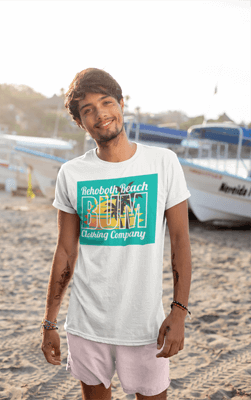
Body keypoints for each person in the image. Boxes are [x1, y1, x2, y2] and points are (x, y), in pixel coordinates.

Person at [41, 68, 192, 400]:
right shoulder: (71, 174)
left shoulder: (163, 163)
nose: (100, 114)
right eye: (88, 110)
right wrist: (49, 323)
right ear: (81, 123)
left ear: (122, 104)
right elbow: (65, 251)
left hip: (145, 328)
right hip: (86, 325)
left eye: (106, 102)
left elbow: (180, 241)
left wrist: (179, 312)